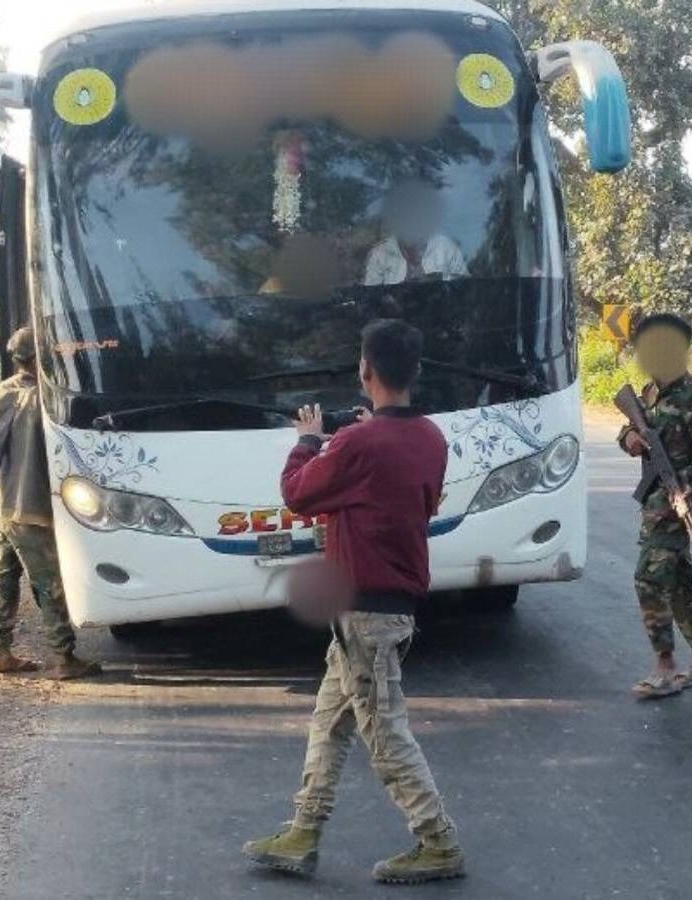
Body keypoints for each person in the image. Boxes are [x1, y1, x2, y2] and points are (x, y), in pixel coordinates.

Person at [242, 319, 464, 885]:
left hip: (367, 612)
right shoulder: (431, 438)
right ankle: (303, 831)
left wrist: (309, 442)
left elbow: (297, 493)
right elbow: (417, 499)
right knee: (330, 722)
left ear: (365, 371)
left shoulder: (356, 442)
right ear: (413, 372)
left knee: (384, 732)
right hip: (384, 607)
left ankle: (437, 842)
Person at [616, 313, 692, 699]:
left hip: (680, 503)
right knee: (679, 582)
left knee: (648, 577)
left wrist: (687, 481)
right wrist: (631, 436)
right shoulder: (649, 393)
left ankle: (664, 666)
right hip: (655, 499)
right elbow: (628, 431)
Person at [0, 327, 100, 680]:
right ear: (40, 357)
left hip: (2, 503)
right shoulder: (47, 400)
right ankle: (64, 657)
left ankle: (0, 651)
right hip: (32, 505)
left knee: (2, 577)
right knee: (49, 583)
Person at [363, 178, 467, 285]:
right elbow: (371, 296)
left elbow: (465, 289)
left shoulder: (447, 248)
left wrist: (437, 279)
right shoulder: (380, 254)